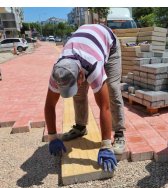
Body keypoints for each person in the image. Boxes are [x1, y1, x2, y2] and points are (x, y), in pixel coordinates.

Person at [44, 24, 126, 171]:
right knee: (79, 93)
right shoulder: (58, 72)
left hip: (109, 44)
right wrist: (52, 137)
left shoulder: (93, 66)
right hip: (85, 46)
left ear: (81, 75)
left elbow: (104, 107)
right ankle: (81, 127)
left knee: (112, 90)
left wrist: (106, 146)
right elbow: (49, 105)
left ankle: (119, 133)